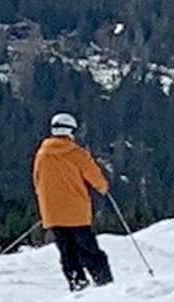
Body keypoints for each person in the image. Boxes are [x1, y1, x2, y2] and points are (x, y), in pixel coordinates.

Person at [32, 112, 114, 292]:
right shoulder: (76, 153)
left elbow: (37, 181)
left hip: (52, 213)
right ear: (71, 131)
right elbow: (95, 177)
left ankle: (77, 285)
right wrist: (103, 188)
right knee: (89, 250)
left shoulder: (42, 153)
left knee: (67, 253)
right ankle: (104, 283)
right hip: (76, 213)